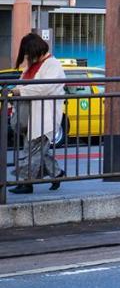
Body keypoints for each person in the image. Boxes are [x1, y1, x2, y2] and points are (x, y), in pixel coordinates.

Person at [10, 33, 67, 194]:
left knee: (32, 149)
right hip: (31, 114)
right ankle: (57, 174)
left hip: (44, 115)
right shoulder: (34, 65)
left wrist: (20, 91)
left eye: (28, 52)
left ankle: (26, 183)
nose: (27, 56)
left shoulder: (52, 65)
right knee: (38, 150)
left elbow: (45, 87)